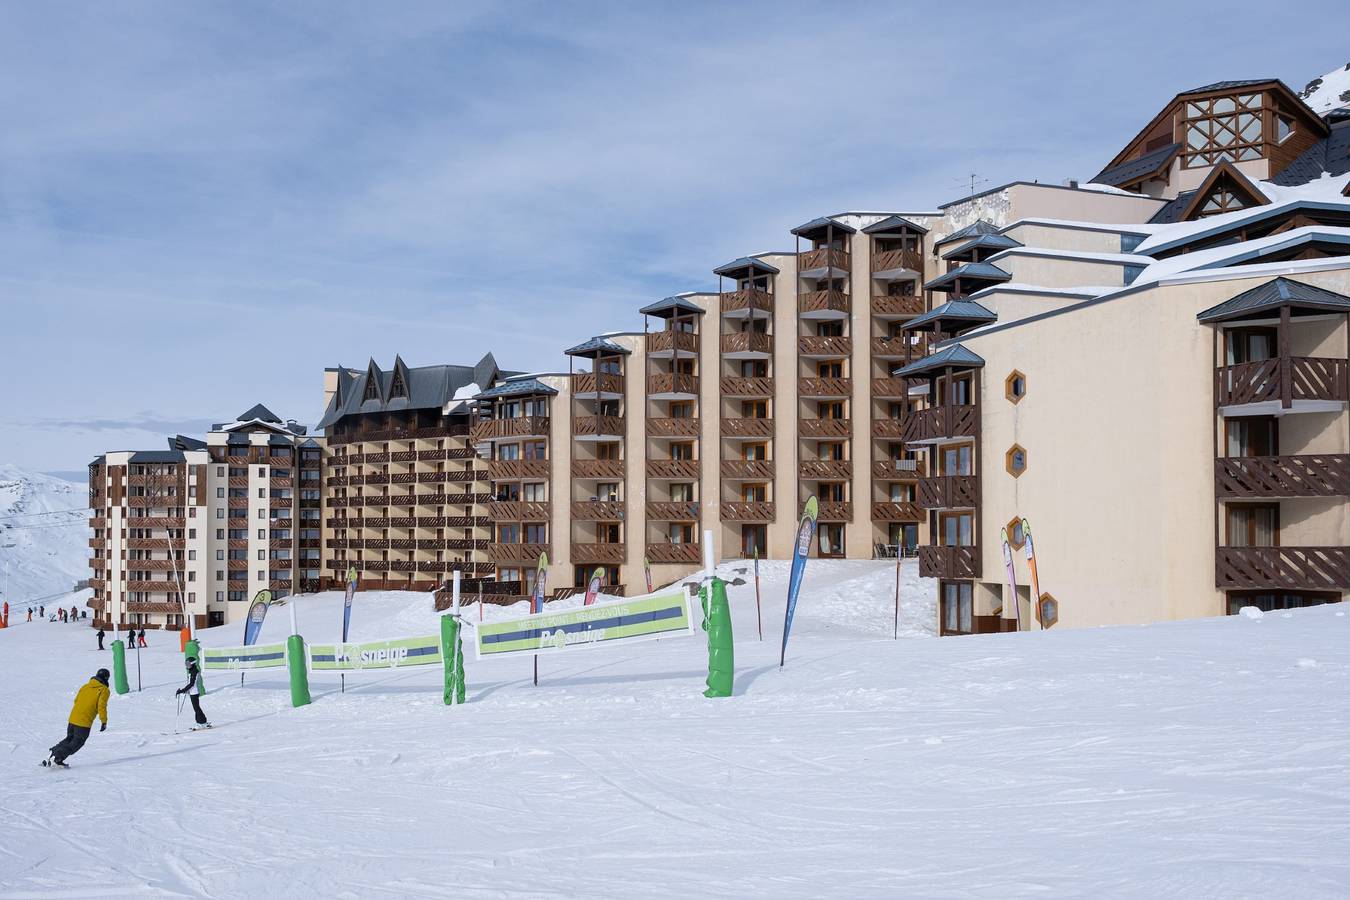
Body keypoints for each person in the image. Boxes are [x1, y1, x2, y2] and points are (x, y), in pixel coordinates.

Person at [43, 669, 110, 768]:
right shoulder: (104, 690)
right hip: (84, 722)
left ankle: (53, 753)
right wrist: (103, 721)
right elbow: (101, 706)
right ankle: (57, 757)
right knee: (77, 742)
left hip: (73, 718)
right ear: (106, 678)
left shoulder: (85, 686)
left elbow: (76, 700)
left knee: (69, 739)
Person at [176, 655, 209, 728]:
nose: (187, 666)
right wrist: (186, 690)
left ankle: (201, 723)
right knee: (197, 708)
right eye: (186, 664)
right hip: (192, 692)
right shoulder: (192, 671)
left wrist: (182, 690)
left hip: (194, 692)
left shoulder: (194, 671)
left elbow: (192, 684)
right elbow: (190, 684)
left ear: (192, 664)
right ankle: (203, 722)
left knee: (196, 708)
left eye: (188, 664)